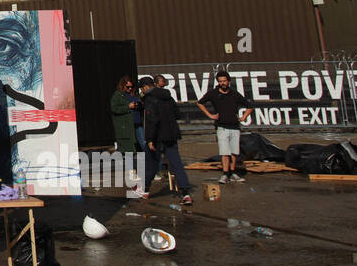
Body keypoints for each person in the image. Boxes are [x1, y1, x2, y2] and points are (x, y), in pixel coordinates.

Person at [139, 75, 193, 204]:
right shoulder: (168, 97)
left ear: (146, 87)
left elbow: (152, 120)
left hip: (157, 137)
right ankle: (186, 193)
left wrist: (150, 139)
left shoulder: (150, 99)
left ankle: (145, 190)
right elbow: (177, 114)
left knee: (150, 164)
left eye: (142, 88)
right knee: (177, 164)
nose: (142, 91)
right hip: (171, 135)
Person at [197, 70, 254, 183]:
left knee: (234, 152)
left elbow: (249, 106)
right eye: (220, 81)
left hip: (235, 127)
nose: (223, 83)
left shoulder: (234, 94)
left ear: (228, 81)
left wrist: (243, 117)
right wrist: (210, 115)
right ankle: (225, 173)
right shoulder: (213, 93)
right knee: (224, 152)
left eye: (224, 81)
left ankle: (232, 172)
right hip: (222, 127)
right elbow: (200, 103)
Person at [109, 76, 138, 151]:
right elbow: (114, 108)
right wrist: (128, 107)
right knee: (128, 149)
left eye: (131, 87)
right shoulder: (118, 95)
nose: (130, 89)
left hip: (137, 123)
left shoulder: (133, 94)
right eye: (128, 87)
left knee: (141, 145)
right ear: (122, 85)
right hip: (125, 126)